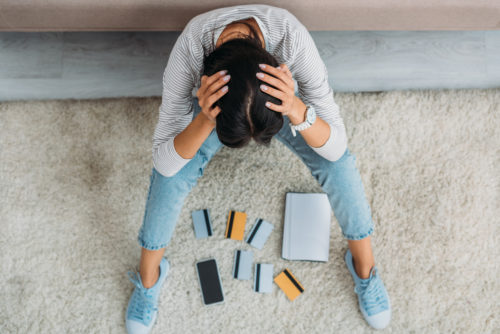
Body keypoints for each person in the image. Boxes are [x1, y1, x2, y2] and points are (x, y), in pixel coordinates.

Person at [125, 4, 391, 333]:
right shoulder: (191, 48)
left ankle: (364, 268)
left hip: (279, 104)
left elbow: (337, 147)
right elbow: (164, 165)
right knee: (171, 177)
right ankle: (148, 277)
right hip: (216, 111)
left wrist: (295, 106)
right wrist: (206, 118)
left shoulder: (292, 39)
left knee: (337, 164)